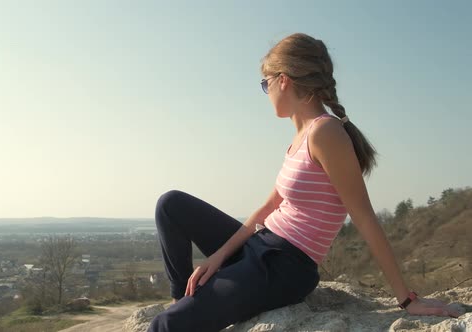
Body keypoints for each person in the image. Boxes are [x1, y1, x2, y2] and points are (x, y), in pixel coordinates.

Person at [147, 33, 462, 332]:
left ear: (282, 80)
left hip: (285, 267)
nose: (265, 91)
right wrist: (218, 256)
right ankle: (182, 298)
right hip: (260, 246)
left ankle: (183, 313)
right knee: (170, 204)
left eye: (265, 83)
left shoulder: (326, 134)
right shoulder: (301, 136)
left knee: (165, 325)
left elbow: (365, 218)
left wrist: (407, 299)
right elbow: (267, 208)